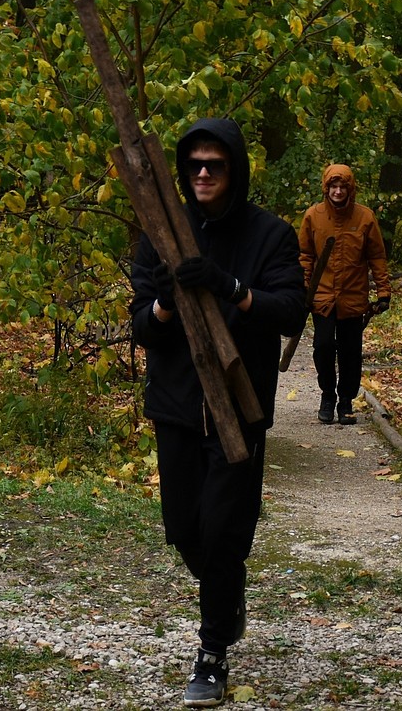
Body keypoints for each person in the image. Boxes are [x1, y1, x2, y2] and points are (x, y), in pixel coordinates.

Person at [129, 118, 306, 708]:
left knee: (224, 533)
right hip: (177, 405)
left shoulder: (269, 235)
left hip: (239, 407)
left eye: (215, 165)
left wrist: (230, 288)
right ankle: (226, 593)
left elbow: (288, 311)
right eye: (194, 166)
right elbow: (138, 329)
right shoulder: (160, 232)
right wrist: (161, 304)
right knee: (184, 529)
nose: (203, 174)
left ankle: (211, 654)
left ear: (236, 169)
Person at [298, 164, 391, 425]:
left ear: (350, 190)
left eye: (342, 187)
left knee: (350, 352)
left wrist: (383, 291)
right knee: (323, 346)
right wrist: (303, 288)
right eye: (333, 187)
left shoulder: (365, 217)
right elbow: (305, 256)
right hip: (322, 296)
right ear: (326, 188)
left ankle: (346, 402)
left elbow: (376, 256)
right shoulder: (313, 217)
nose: (337, 192)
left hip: (353, 296)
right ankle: (327, 395)